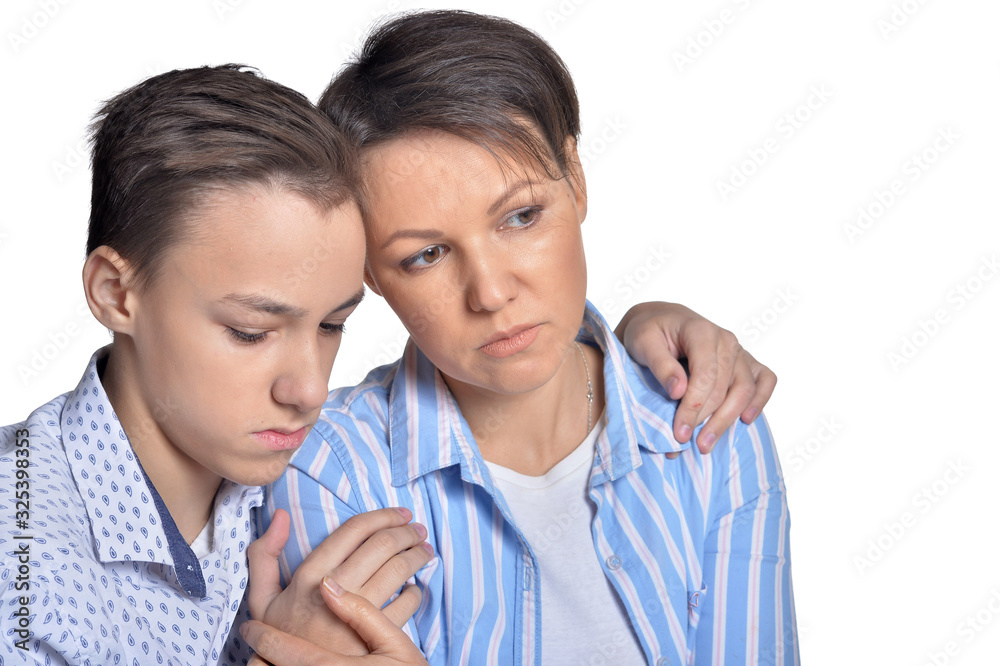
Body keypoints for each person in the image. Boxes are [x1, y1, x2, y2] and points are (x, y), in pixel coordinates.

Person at [0, 64, 775, 664]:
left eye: (333, 325)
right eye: (248, 331)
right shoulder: (22, 563)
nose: (306, 391)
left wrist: (643, 326)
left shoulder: (258, 474)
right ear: (114, 292)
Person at [266, 10, 798, 665]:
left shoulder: (710, 428)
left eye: (521, 216)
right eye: (426, 255)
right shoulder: (331, 469)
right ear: (371, 272)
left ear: (574, 179)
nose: (490, 293)